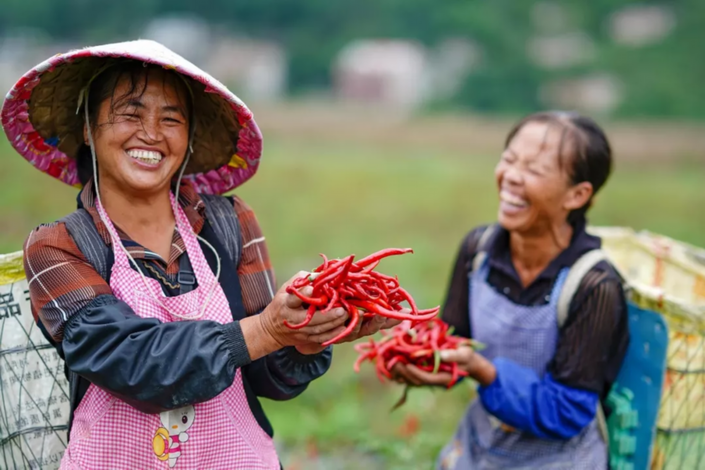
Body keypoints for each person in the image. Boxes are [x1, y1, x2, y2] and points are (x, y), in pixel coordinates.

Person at [3, 40, 393, 469]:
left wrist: (305, 336)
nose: (151, 134)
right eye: (130, 114)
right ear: (88, 129)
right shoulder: (58, 246)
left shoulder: (230, 224)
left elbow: (269, 378)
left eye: (171, 119)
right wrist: (266, 329)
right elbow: (134, 364)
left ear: (188, 137)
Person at [392, 111, 630, 469]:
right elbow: (451, 344)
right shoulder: (479, 250)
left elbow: (566, 412)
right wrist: (415, 353)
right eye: (509, 160)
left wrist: (483, 370)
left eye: (534, 170)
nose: (511, 177)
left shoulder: (595, 286)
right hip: (478, 451)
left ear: (577, 194)